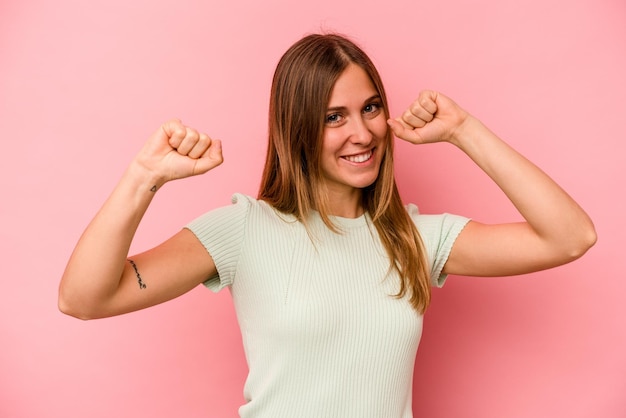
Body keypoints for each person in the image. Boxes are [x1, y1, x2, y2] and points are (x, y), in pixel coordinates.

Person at [59, 33, 596, 417]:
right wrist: (142, 179)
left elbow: (570, 237)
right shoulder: (243, 230)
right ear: (298, 129)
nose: (361, 133)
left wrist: (464, 131)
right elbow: (84, 298)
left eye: (370, 108)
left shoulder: (413, 239)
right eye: (333, 117)